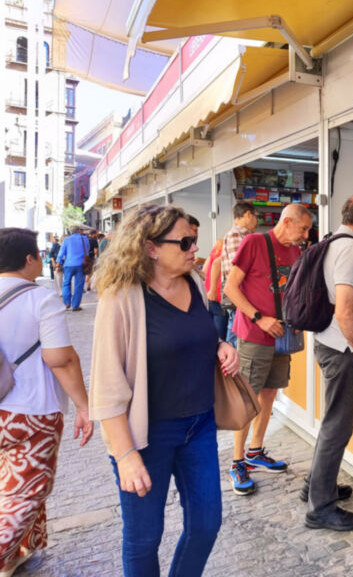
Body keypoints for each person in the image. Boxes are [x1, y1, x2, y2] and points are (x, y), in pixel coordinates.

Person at [89, 205, 239, 576]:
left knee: (206, 524)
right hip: (147, 434)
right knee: (144, 538)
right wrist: (125, 454)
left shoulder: (195, 282)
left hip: (199, 427)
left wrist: (219, 345)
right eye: (185, 241)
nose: (194, 249)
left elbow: (193, 333)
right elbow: (106, 384)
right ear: (151, 248)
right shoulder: (121, 296)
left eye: (194, 240)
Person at [0, 228, 93, 575]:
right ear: (29, 259)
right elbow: (61, 359)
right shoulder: (41, 299)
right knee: (26, 492)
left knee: (7, 483)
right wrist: (84, 406)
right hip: (30, 413)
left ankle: (17, 553)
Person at [305, 193, 353, 532]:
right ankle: (320, 508)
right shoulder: (350, 248)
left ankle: (316, 487)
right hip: (344, 351)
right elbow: (345, 307)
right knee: (338, 427)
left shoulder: (334, 241)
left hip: (329, 343)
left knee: (332, 424)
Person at [223, 204, 314, 494]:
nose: (305, 234)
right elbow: (230, 288)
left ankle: (255, 451)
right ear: (286, 222)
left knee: (270, 393)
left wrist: (298, 318)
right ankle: (237, 462)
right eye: (303, 228)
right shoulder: (254, 242)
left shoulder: (296, 252)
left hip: (282, 335)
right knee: (247, 398)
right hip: (254, 334)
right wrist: (259, 318)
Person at [220, 202, 259, 346]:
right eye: (256, 217)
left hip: (238, 293)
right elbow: (237, 268)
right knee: (236, 332)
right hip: (239, 293)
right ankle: (234, 365)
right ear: (248, 214)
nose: (257, 221)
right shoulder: (237, 235)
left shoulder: (239, 235)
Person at [56, 226, 89, 311]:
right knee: (79, 285)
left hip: (68, 264)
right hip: (81, 264)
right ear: (79, 230)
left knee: (66, 283)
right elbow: (87, 250)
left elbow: (61, 253)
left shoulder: (66, 240)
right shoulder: (84, 238)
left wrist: (58, 264)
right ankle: (75, 306)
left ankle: (67, 302)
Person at [203, 239, 226, 340]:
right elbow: (216, 264)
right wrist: (213, 290)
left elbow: (204, 270)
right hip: (219, 295)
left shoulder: (218, 245)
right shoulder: (229, 247)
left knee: (209, 334)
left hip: (209, 294)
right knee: (220, 339)